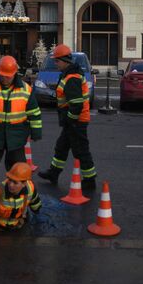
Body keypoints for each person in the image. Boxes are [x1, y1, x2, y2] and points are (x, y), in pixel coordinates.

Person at [0, 55, 42, 194]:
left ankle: (17, 197)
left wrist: (36, 132)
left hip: (16, 136)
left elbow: (34, 112)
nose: (5, 79)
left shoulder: (26, 89)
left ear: (15, 73)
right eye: (3, 75)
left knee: (18, 169)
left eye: (8, 76)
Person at [38, 44, 97, 190]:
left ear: (65, 61)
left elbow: (76, 104)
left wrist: (70, 120)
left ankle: (89, 180)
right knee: (62, 147)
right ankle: (54, 173)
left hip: (76, 121)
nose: (56, 63)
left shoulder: (72, 78)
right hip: (73, 121)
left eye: (57, 61)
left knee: (81, 151)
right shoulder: (70, 74)